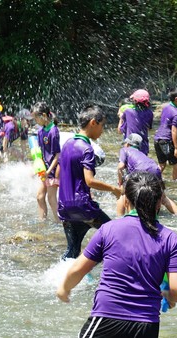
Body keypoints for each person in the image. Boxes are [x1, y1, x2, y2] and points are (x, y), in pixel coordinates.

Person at [57, 171, 177, 338]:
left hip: (107, 317)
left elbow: (78, 269)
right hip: (147, 324)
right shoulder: (170, 239)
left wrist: (64, 288)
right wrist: (169, 297)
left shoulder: (109, 230)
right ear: (159, 203)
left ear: (126, 200)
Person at [57, 104, 122, 260]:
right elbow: (90, 181)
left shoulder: (67, 144)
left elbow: (59, 173)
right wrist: (114, 189)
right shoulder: (87, 148)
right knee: (115, 237)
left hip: (65, 208)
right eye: (102, 126)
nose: (102, 131)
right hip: (83, 208)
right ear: (93, 122)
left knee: (72, 251)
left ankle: (62, 276)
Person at [116, 133, 177, 216]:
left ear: (128, 144)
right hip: (155, 168)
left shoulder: (125, 149)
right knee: (163, 197)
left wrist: (120, 183)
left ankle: (119, 218)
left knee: (124, 195)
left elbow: (120, 167)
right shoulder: (141, 153)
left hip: (140, 169)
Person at [32, 102, 61, 222]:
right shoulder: (40, 131)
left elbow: (57, 155)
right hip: (44, 170)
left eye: (36, 118)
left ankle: (60, 223)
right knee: (39, 197)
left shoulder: (53, 131)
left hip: (53, 170)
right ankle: (42, 222)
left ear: (44, 115)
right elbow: (40, 152)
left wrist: (49, 171)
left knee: (51, 199)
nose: (35, 121)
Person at [154, 87, 177, 180]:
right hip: (166, 140)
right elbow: (174, 130)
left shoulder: (166, 107)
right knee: (176, 163)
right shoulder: (176, 113)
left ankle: (150, 180)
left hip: (157, 139)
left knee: (162, 164)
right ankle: (176, 184)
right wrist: (176, 148)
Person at [118, 89, 154, 155]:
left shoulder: (128, 112)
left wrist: (121, 117)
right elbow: (149, 128)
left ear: (134, 101)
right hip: (143, 147)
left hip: (130, 147)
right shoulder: (150, 113)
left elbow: (120, 131)